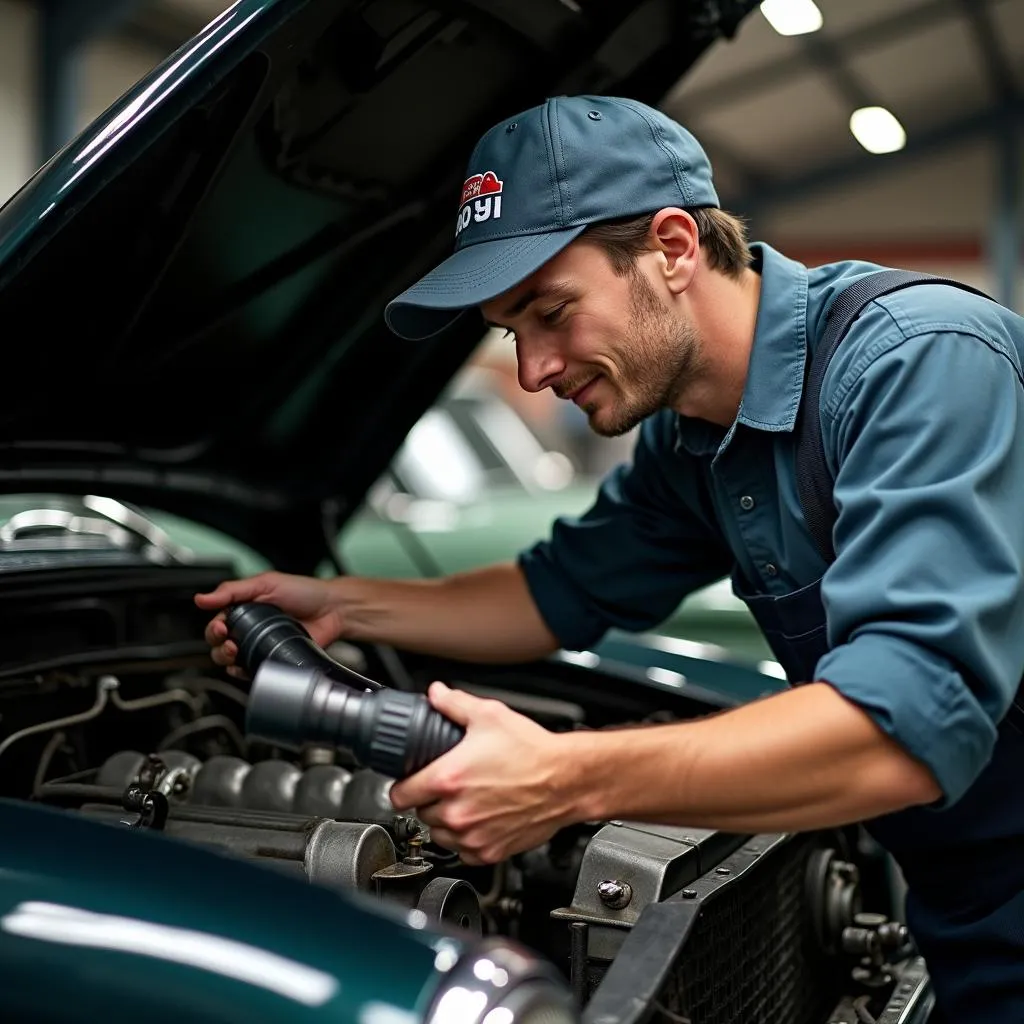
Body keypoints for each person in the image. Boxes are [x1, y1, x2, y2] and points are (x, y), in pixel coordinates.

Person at [196, 95, 1024, 1018]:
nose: (533, 370)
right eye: (514, 330)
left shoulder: (919, 364)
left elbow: (907, 725)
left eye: (552, 311)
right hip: (964, 905)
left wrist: (565, 777)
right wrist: (346, 606)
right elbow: (554, 593)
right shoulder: (692, 443)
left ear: (673, 247)